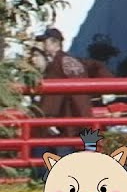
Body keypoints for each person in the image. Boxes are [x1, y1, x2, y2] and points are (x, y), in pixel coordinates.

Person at [31, 28, 93, 180]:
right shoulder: (71, 60)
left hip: (69, 117)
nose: (43, 46)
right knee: (86, 154)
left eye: (45, 42)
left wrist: (46, 117)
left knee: (62, 152)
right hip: (83, 115)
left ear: (54, 43)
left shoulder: (57, 65)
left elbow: (52, 96)